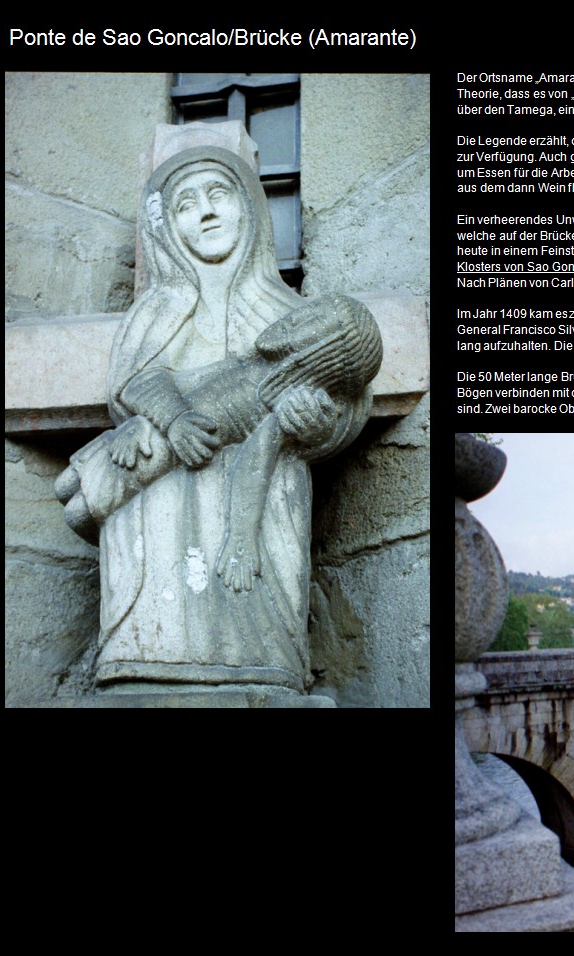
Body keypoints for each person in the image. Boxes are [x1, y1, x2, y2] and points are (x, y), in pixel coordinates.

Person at [61, 145, 378, 692]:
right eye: (185, 204)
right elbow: (132, 384)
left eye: (218, 195)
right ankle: (144, 659)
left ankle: (263, 668)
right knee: (107, 498)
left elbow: (348, 403)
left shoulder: (291, 314)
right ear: (165, 228)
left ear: (251, 209)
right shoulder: (156, 312)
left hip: (260, 500)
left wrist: (316, 421)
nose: (205, 212)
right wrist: (164, 416)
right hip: (152, 497)